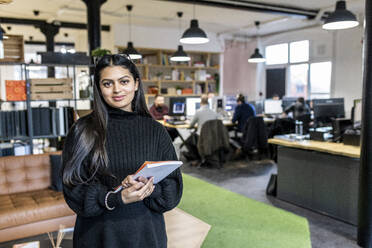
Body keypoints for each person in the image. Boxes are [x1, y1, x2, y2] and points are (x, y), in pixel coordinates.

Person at [62, 54, 183, 248]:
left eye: (124, 81)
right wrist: (117, 196)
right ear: (99, 89)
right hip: (98, 237)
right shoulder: (82, 130)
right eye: (107, 84)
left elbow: (172, 192)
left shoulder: (155, 130)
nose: (117, 89)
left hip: (147, 236)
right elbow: (73, 190)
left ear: (136, 84)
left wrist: (147, 187)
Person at [183, 94, 220, 161]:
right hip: (213, 136)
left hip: (201, 136)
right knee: (193, 138)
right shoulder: (214, 112)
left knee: (188, 141)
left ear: (201, 102)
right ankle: (202, 156)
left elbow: (191, 125)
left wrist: (187, 122)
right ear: (208, 103)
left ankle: (196, 157)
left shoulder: (198, 112)